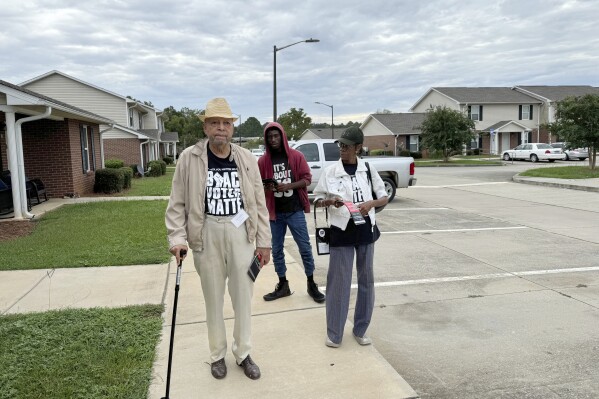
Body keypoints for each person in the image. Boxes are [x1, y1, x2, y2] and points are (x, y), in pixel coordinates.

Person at [165, 97, 271, 381]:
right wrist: (177, 238)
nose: (220, 128)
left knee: (243, 298)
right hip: (207, 231)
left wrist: (264, 242)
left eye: (226, 123)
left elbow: (259, 202)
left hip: (241, 233)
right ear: (206, 127)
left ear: (232, 128)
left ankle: (243, 353)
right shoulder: (189, 158)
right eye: (214, 123)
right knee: (213, 299)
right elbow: (177, 204)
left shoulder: (246, 158)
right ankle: (217, 355)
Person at [313, 126, 388, 348]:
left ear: (358, 147)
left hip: (365, 229)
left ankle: (361, 329)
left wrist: (371, 204)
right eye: (341, 146)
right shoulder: (330, 171)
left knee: (366, 280)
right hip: (341, 230)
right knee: (339, 282)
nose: (342, 150)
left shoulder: (367, 168)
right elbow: (315, 199)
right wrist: (329, 202)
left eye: (346, 146)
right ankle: (335, 333)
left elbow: (383, 197)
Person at [257, 122, 325, 303]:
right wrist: (267, 186)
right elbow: (256, 185)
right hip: (275, 213)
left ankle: (311, 283)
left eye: (276, 136)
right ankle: (283, 284)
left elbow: (307, 179)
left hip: (294, 210)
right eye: (269, 137)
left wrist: (288, 186)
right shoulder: (263, 161)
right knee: (277, 250)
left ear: (282, 136)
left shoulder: (295, 156)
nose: (273, 139)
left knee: (304, 247)